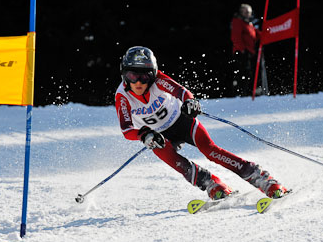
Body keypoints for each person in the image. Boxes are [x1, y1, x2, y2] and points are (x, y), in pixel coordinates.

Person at [115, 46, 287, 200]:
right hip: (157, 135)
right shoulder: (122, 95)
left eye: (144, 76)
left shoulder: (159, 81)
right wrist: (143, 134)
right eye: (132, 75)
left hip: (181, 121)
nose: (138, 82)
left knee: (210, 150)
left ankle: (262, 178)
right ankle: (212, 184)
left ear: (152, 74)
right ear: (124, 74)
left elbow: (181, 91)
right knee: (176, 162)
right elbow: (126, 129)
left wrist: (190, 102)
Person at [230, 4, 261, 96]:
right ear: (241, 12)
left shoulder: (249, 23)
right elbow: (235, 37)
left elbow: (256, 35)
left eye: (249, 12)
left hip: (250, 52)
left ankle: (248, 92)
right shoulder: (238, 21)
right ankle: (242, 93)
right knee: (243, 73)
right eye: (246, 12)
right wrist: (242, 50)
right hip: (242, 52)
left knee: (249, 73)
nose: (248, 14)